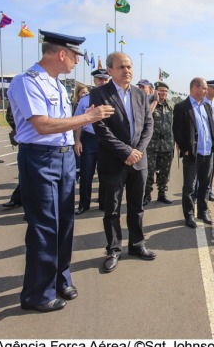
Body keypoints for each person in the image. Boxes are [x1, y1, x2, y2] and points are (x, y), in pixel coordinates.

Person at [8, 30, 114, 311]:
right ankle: (37, 294)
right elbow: (42, 125)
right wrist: (88, 117)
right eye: (76, 56)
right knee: (44, 227)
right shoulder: (26, 82)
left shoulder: (56, 84)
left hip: (65, 159)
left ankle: (60, 279)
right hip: (41, 159)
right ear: (61, 54)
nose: (78, 61)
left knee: (65, 223)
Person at [90, 52, 156, 273]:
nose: (127, 70)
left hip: (139, 161)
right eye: (121, 67)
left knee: (136, 207)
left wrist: (137, 151)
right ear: (110, 70)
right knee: (113, 210)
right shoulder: (99, 94)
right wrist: (125, 151)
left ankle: (137, 245)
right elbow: (101, 129)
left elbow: (148, 125)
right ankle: (113, 250)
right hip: (114, 161)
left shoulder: (140, 94)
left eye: (129, 67)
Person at [172, 77, 214, 228]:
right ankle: (188, 215)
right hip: (193, 154)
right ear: (195, 88)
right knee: (189, 187)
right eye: (204, 89)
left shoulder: (206, 106)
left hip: (208, 153)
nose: (206, 91)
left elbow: (211, 127)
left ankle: (203, 211)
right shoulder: (182, 107)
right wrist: (185, 149)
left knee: (205, 185)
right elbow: (177, 131)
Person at [73, 69, 110, 215]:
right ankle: (84, 204)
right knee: (86, 174)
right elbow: (78, 123)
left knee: (105, 174)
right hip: (89, 139)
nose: (103, 82)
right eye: (100, 79)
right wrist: (77, 141)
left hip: (106, 140)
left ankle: (103, 202)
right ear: (94, 80)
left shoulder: (112, 97)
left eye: (105, 79)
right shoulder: (85, 99)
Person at [144, 81, 175, 206]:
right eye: (161, 91)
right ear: (156, 91)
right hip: (152, 143)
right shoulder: (148, 103)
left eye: (166, 91)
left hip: (167, 143)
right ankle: (147, 195)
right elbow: (146, 116)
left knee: (165, 171)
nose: (164, 93)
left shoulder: (171, 105)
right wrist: (155, 101)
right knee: (149, 171)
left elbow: (175, 123)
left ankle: (162, 193)